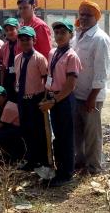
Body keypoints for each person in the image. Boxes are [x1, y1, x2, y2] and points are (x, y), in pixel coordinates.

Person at [39, 18, 82, 186]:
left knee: (66, 137)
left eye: (63, 32)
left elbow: (70, 85)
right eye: (56, 32)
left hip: (64, 99)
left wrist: (54, 100)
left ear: (71, 35)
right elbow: (50, 78)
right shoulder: (52, 53)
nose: (59, 35)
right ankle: (59, 168)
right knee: (57, 136)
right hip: (53, 97)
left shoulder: (72, 56)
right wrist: (46, 96)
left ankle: (66, 173)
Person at [72, 0, 110, 175]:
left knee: (92, 134)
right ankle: (79, 162)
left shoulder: (100, 39)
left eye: (88, 15)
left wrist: (92, 97)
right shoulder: (77, 35)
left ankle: (94, 167)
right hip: (76, 93)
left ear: (96, 17)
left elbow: (101, 73)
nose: (84, 18)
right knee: (77, 132)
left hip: (91, 95)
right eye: (81, 14)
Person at [15, 26, 48, 171]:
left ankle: (42, 159)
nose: (25, 42)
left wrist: (44, 99)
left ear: (34, 40)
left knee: (38, 130)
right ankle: (30, 158)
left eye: (28, 39)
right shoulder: (17, 58)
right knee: (26, 129)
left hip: (36, 99)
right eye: (22, 40)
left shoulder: (40, 59)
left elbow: (46, 80)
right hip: (23, 99)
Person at [0, 85, 24, 163]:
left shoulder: (8, 107)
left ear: (4, 97)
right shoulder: (6, 105)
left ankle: (9, 157)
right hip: (16, 131)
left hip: (20, 133)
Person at [0, 17, 20, 102]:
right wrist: (2, 83)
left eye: (12, 29)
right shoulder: (5, 46)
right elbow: (4, 66)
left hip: (19, 76)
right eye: (7, 30)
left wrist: (17, 79)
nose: (9, 32)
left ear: (18, 28)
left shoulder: (22, 44)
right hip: (8, 77)